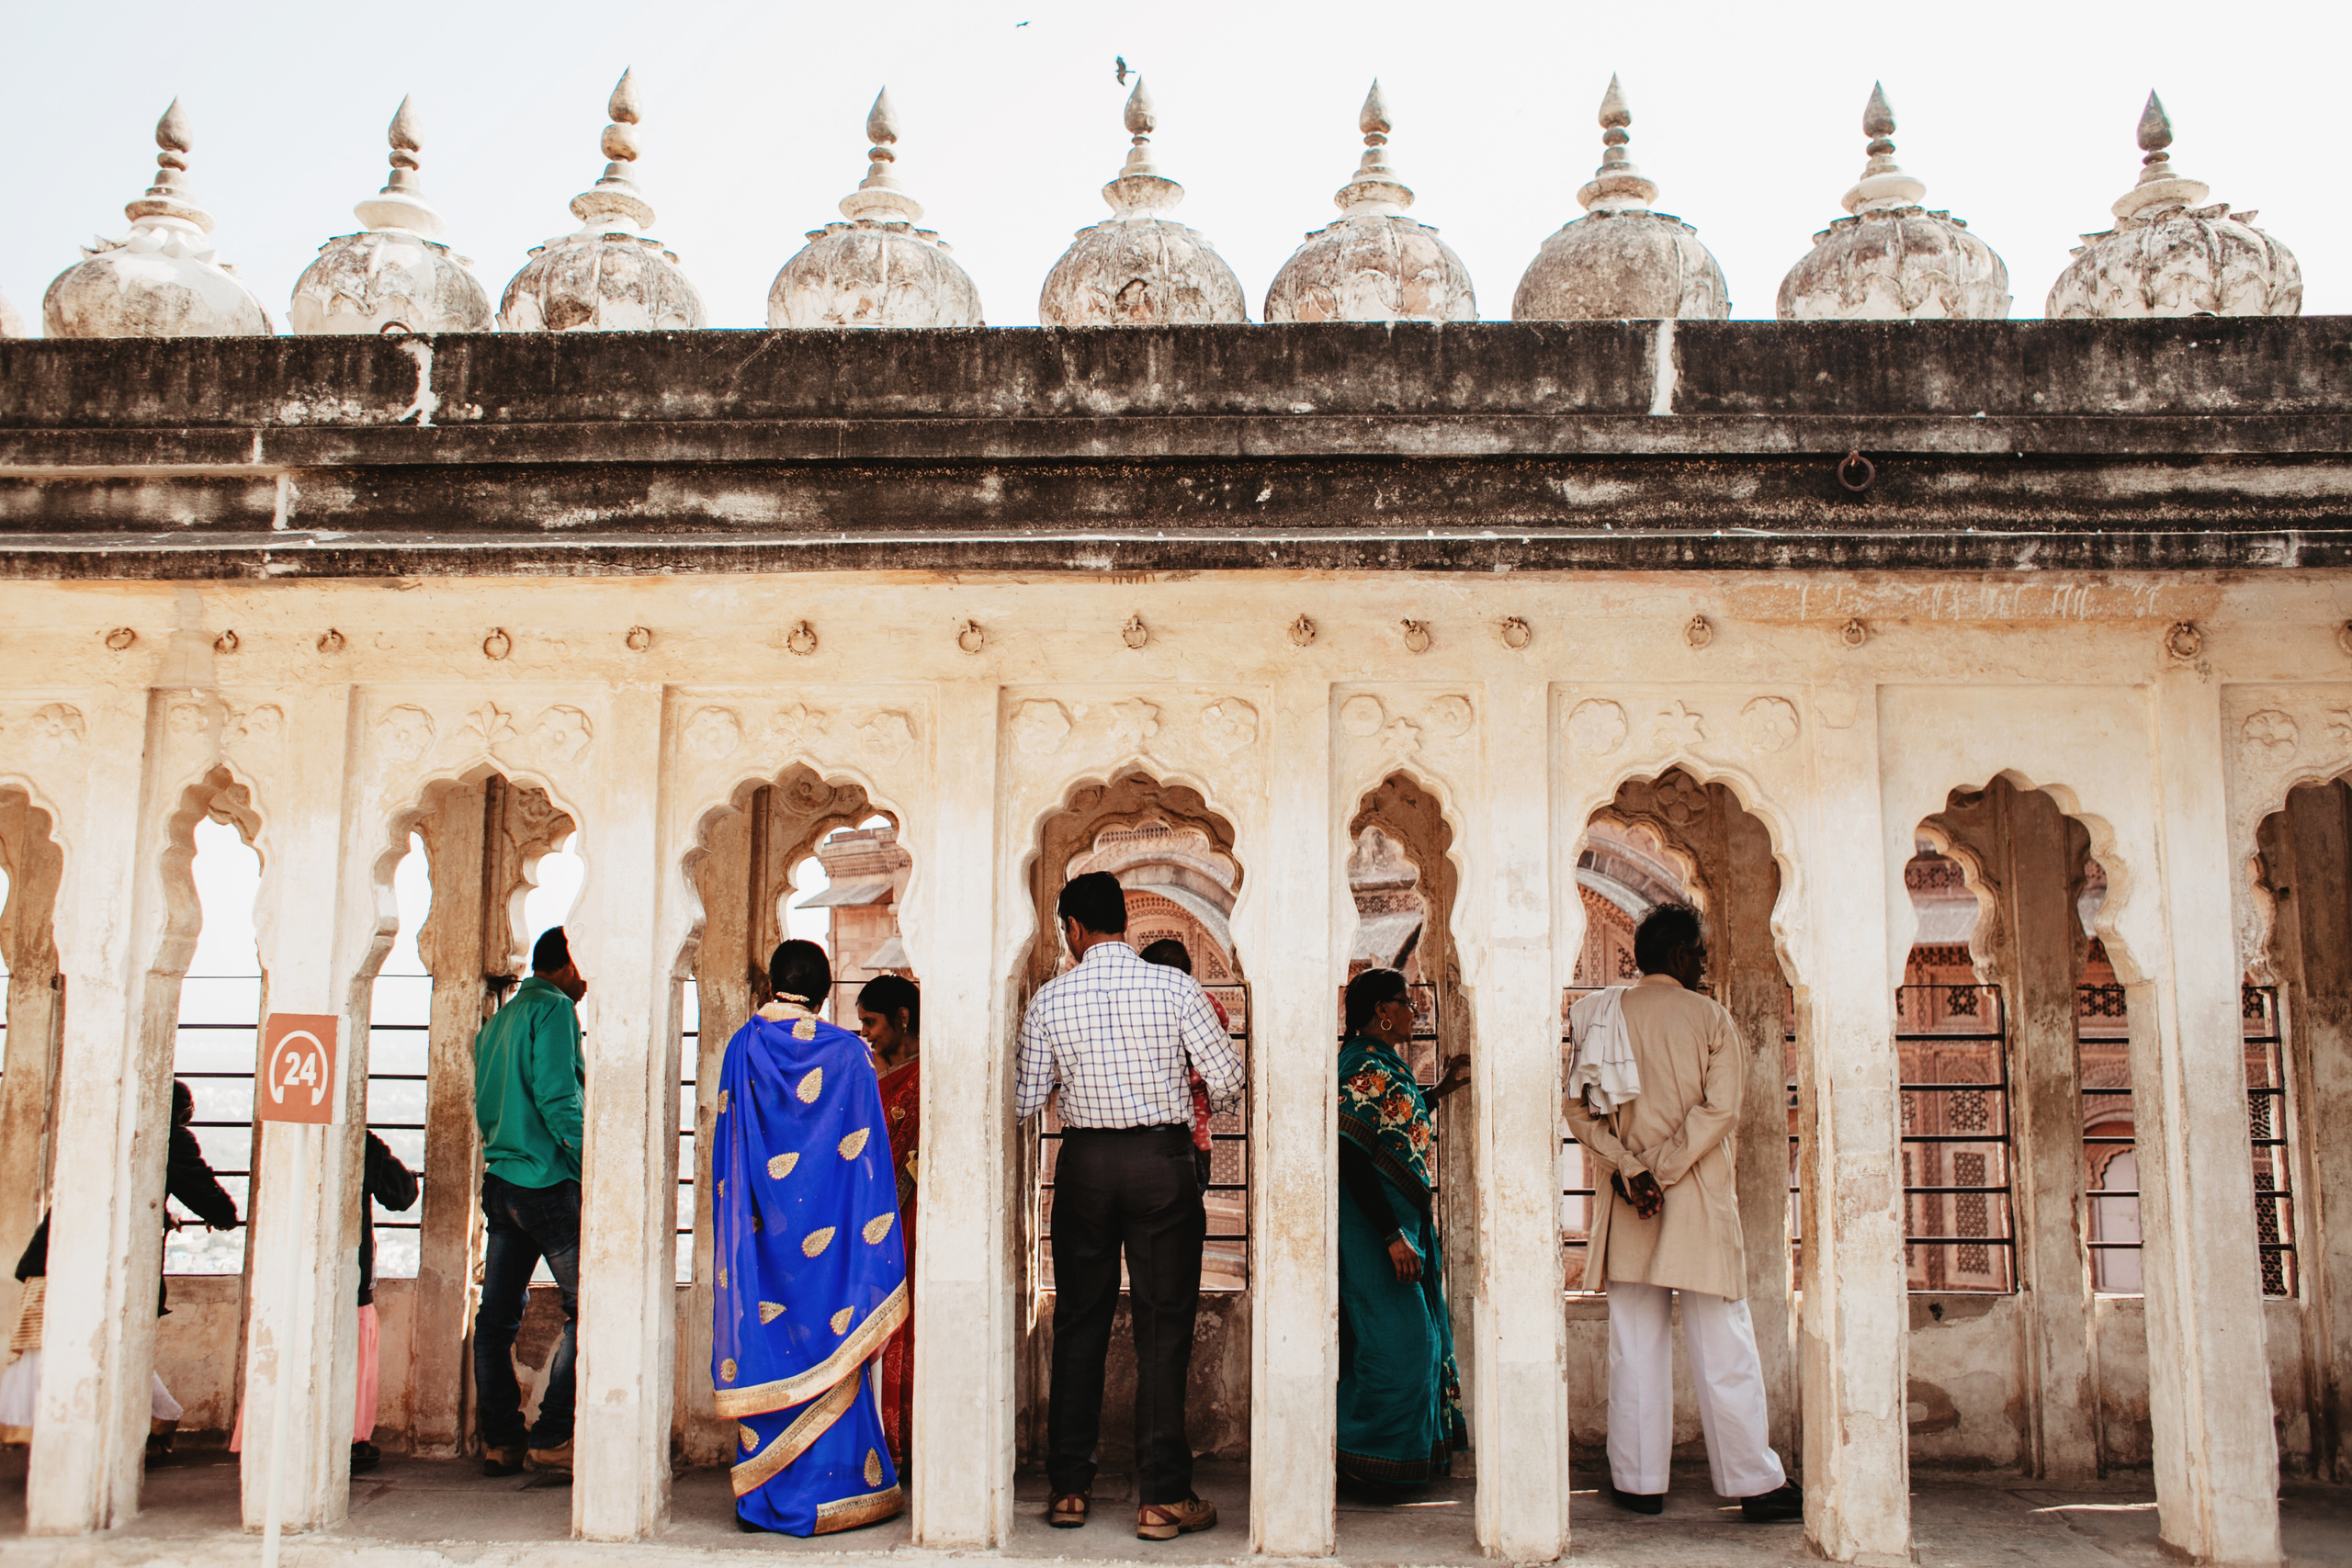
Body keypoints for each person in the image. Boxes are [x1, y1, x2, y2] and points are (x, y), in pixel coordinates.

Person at [1013, 872, 1243, 1541]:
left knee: (1080, 1321)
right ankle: (1162, 1499)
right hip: (1161, 1165)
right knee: (1162, 1326)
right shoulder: (1175, 987)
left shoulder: (1052, 998)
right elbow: (1228, 1079)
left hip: (1085, 1164)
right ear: (1123, 921)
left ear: (1074, 930)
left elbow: (1027, 1100)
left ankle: (1069, 1489)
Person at [1562, 904, 1803, 1524]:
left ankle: (1640, 1482)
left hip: (1628, 1199)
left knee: (1634, 1345)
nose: (1703, 962)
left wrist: (1631, 1168)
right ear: (1677, 954)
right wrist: (1663, 1170)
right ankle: (1754, 1480)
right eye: (1698, 952)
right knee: (1724, 1343)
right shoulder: (1710, 1018)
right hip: (1693, 1198)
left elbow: (1578, 1112)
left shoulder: (1601, 1015)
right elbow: (1720, 1112)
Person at [714, 941, 908, 1537]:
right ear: (827, 992)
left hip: (763, 1240)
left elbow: (731, 1150)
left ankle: (767, 1489)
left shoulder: (742, 1046)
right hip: (828, 1247)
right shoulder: (848, 1053)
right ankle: (836, 1488)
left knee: (771, 1340)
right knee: (830, 1339)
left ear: (773, 983)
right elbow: (863, 1156)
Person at [4, 1081, 241, 1455]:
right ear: (182, 1112)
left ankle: (64, 1432)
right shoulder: (168, 1135)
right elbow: (197, 1184)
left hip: (55, 1254)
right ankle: (126, 1431)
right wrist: (226, 1216)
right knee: (112, 1346)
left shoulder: (109, 1125)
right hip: (101, 1266)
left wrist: (160, 1215)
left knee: (58, 1346)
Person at [1335, 968, 1470, 1496]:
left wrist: (1438, 1091)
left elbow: (1392, 1123)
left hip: (1394, 1227)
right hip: (1375, 1231)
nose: (1416, 1013)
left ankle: (1389, 1459)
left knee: (1415, 1339)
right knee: (1402, 1345)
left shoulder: (1381, 1065)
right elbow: (1351, 1150)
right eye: (1408, 1004)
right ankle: (1366, 1460)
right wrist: (1391, 1234)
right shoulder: (1365, 1064)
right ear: (1383, 1012)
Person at [228, 1130, 416, 1472]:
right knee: (352, 1354)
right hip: (348, 1273)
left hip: (286, 1271)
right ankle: (349, 1440)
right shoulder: (360, 1141)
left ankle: (271, 1437)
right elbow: (402, 1195)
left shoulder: (286, 1135)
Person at [471, 926, 586, 1478]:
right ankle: (551, 1435)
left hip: (502, 1182)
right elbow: (559, 1099)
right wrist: (595, 1166)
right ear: (567, 964)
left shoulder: (500, 1020)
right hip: (545, 1184)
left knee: (495, 1320)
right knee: (588, 1311)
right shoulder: (556, 1010)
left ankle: (501, 1440)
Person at [855, 973, 920, 1470]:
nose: (867, 1033)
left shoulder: (925, 1077)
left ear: (902, 1018)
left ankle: (909, 1442)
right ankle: (882, 1445)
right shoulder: (873, 1075)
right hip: (876, 1228)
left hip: (914, 1222)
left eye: (871, 1022)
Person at [1136, 941, 1223, 1189]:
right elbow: (1223, 1023)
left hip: (1148, 1131)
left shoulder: (1142, 1008)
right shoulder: (1205, 1001)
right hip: (1196, 1131)